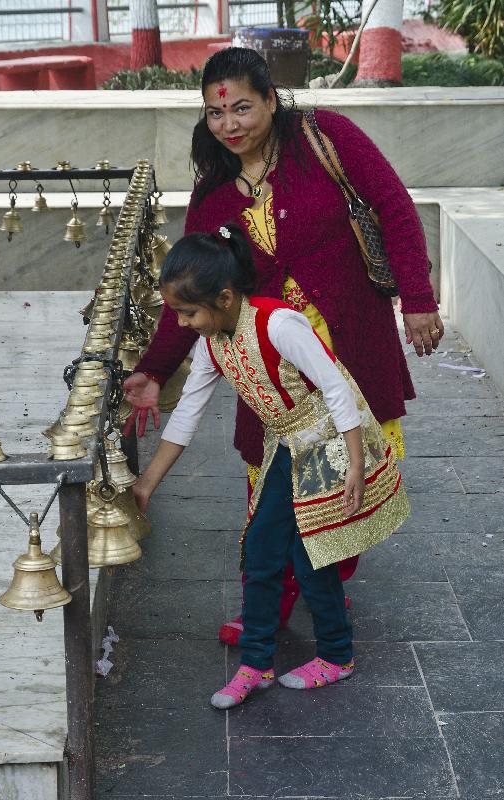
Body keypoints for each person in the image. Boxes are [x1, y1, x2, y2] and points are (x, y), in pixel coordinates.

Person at [124, 46, 443, 645]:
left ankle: (324, 573)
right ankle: (271, 596)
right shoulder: (215, 192)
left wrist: (418, 300)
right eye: (217, 115)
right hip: (269, 372)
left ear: (272, 100)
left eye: (243, 107)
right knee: (269, 486)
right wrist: (154, 369)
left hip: (352, 343)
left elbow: (395, 209)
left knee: (348, 471)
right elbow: (190, 289)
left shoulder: (327, 139)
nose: (231, 125)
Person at [133, 224, 410, 709]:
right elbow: (186, 420)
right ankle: (255, 664)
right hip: (285, 441)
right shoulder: (212, 342)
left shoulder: (279, 323)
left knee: (312, 555)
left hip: (329, 440)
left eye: (187, 312)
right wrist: (145, 486)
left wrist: (354, 461)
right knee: (261, 550)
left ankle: (337, 655)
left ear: (223, 297)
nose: (181, 324)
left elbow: (337, 387)